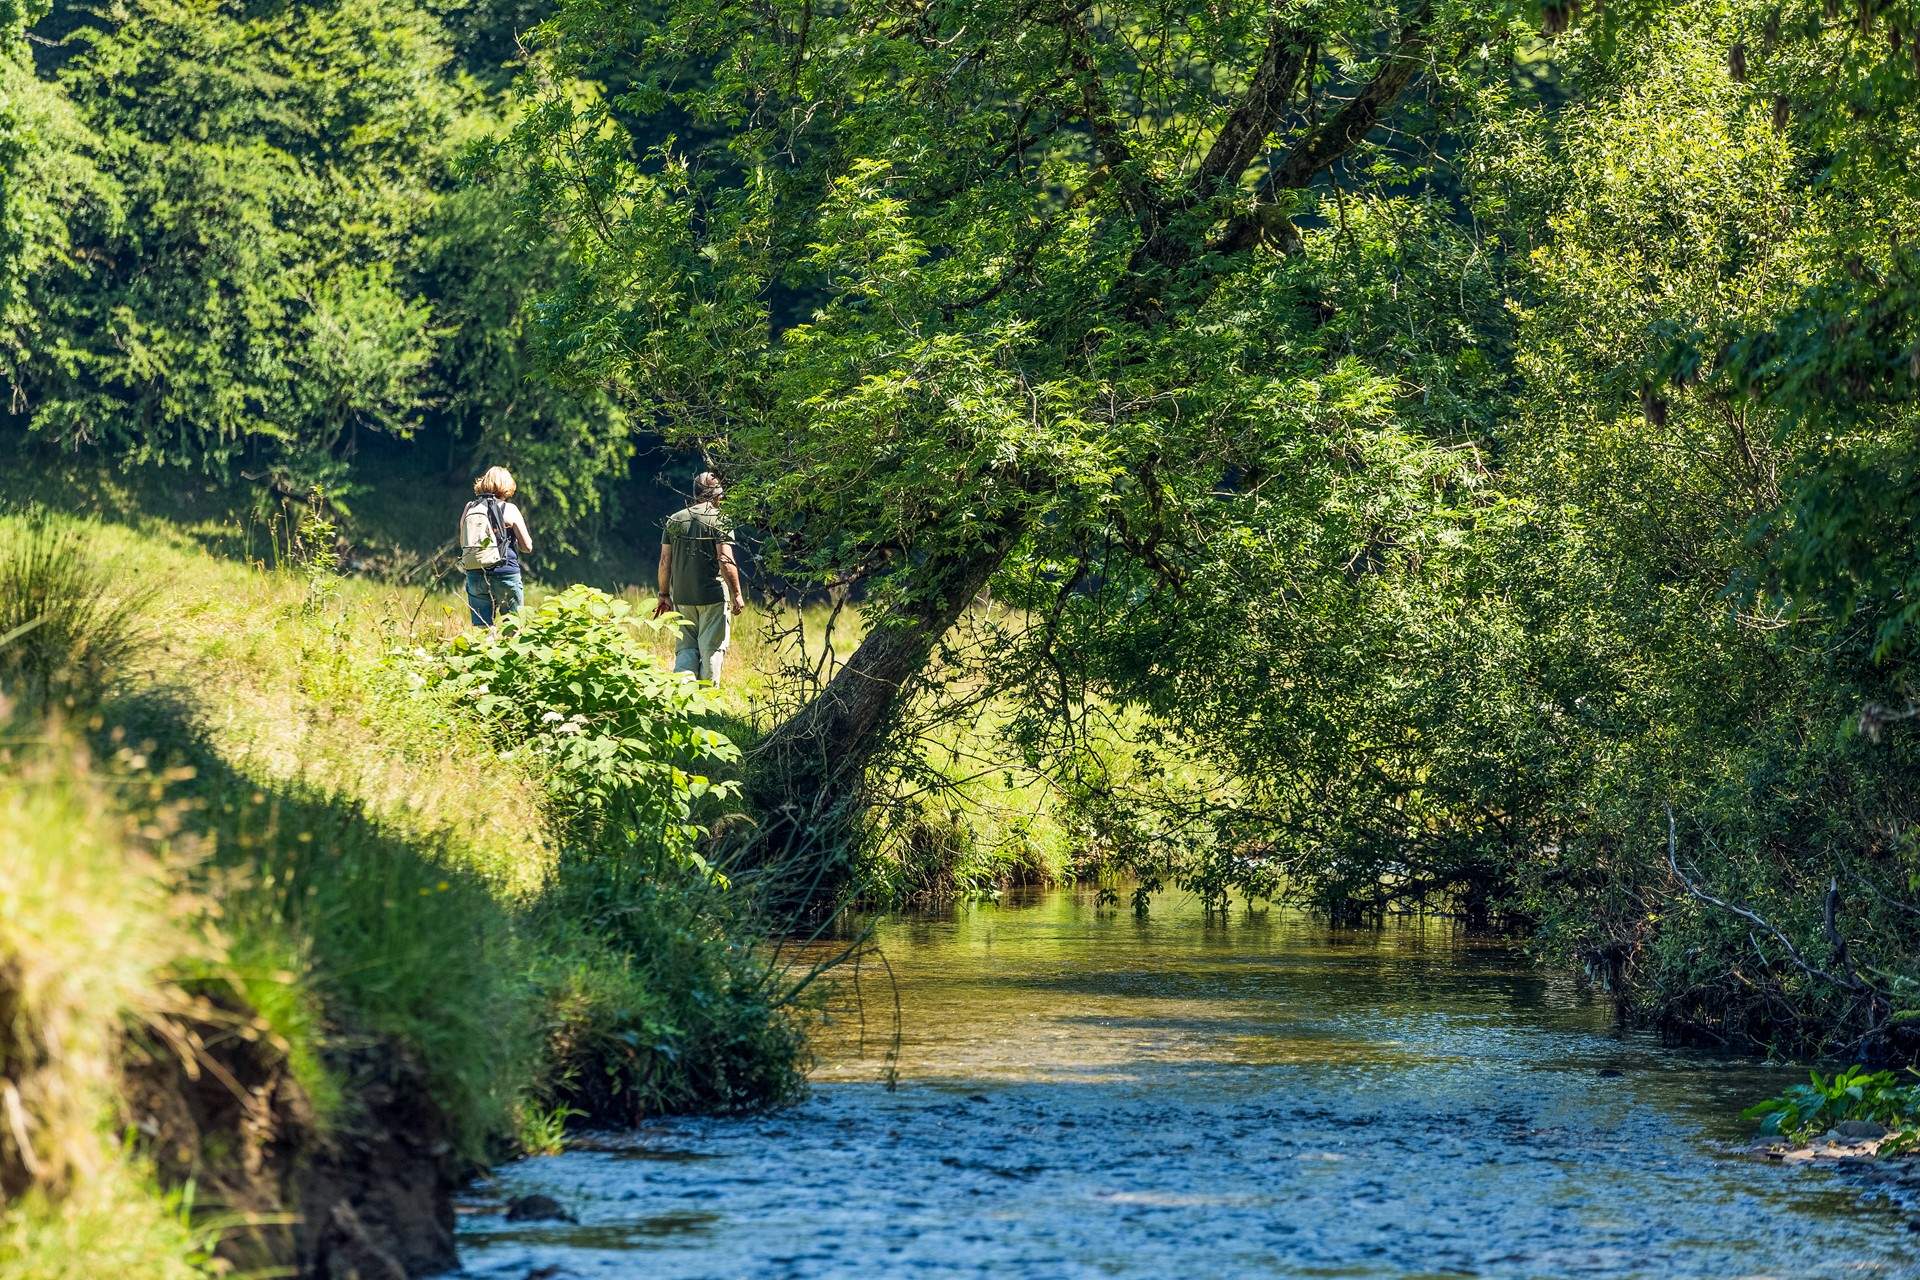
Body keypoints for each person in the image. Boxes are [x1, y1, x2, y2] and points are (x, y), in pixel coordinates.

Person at [657, 471, 744, 681]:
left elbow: (664, 562)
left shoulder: (675, 520)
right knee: (711, 650)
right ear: (716, 495)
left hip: (682, 598)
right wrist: (737, 594)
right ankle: (706, 706)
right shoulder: (720, 519)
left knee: (686, 649)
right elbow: (725, 559)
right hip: (712, 597)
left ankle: (684, 698)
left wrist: (664, 594)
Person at [461, 466, 533, 627]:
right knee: (513, 627)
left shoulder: (470, 507)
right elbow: (527, 546)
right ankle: (510, 652)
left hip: (475, 573)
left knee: (482, 628)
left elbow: (464, 538)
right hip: (505, 573)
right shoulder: (510, 509)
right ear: (507, 486)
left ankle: (484, 650)